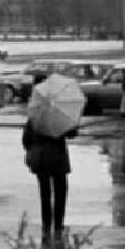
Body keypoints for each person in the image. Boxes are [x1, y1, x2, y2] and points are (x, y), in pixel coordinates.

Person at [22, 74, 78, 239]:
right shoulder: (59, 112)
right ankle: (58, 225)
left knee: (45, 194)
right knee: (61, 192)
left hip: (41, 160)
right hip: (59, 159)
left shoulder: (34, 113)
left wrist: (33, 146)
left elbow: (26, 140)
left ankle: (46, 225)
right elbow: (72, 133)